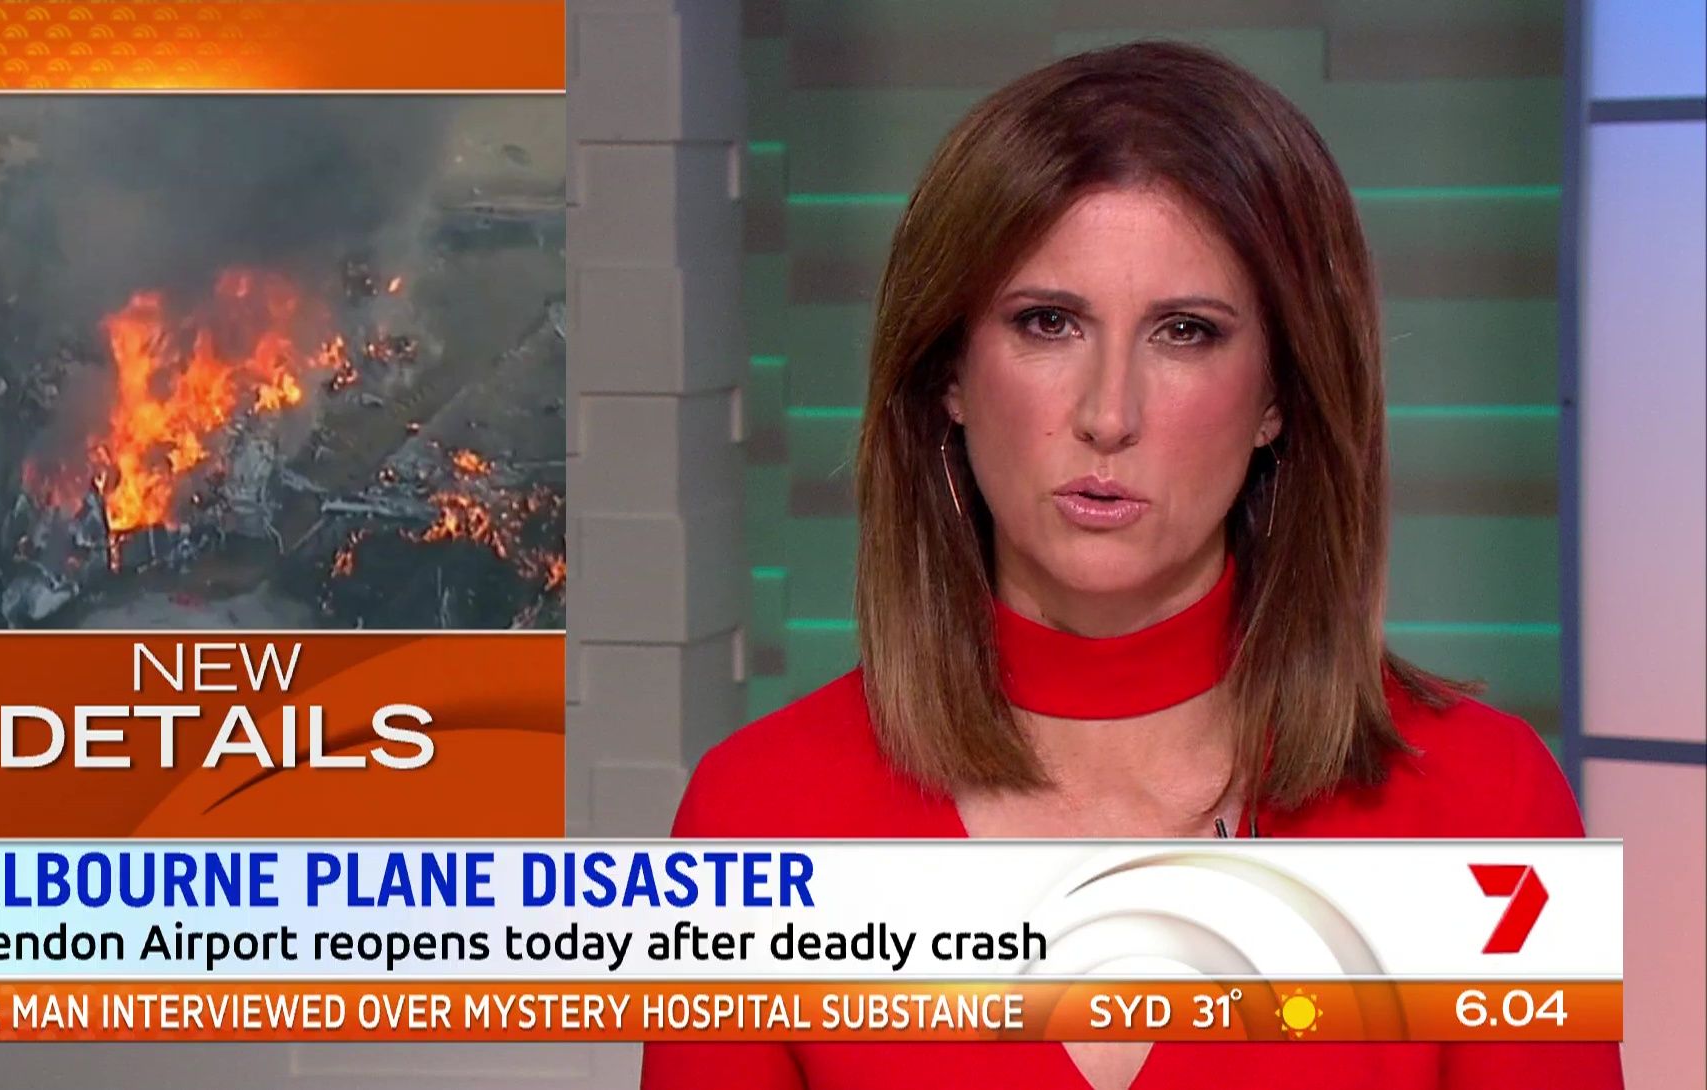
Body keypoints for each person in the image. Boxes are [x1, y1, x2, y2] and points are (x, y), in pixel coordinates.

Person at [639, 41, 1623, 1090]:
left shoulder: (1484, 808)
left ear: (1278, 397)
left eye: (1186, 332)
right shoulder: (758, 818)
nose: (1109, 415)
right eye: (1047, 322)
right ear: (950, 374)